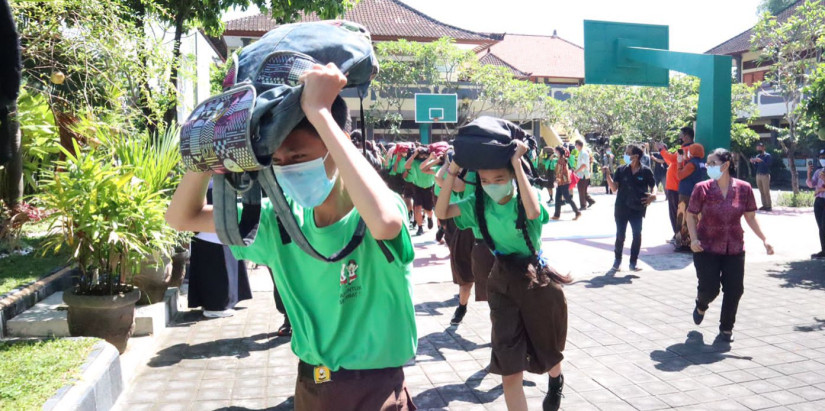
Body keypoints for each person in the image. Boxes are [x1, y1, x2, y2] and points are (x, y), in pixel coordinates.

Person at [166, 64, 417, 410]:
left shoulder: (374, 213)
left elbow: (386, 223)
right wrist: (208, 148)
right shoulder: (279, 223)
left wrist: (320, 112)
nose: (288, 168)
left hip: (376, 393)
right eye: (278, 161)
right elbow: (182, 217)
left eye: (299, 156)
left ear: (336, 144)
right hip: (312, 388)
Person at [436, 133, 569, 411]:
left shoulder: (528, 199)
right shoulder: (478, 206)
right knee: (509, 367)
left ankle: (556, 380)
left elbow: (533, 212)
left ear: (511, 177)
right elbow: (442, 210)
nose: (491, 186)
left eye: (498, 179)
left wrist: (516, 162)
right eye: (484, 181)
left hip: (536, 279)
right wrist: (453, 170)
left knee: (547, 349)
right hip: (501, 280)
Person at [686, 148, 774, 343]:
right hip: (706, 247)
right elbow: (691, 214)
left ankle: (726, 328)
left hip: (734, 247)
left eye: (712, 163)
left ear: (725, 165)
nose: (708, 167)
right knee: (710, 289)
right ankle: (701, 304)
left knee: (735, 289)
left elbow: (750, 217)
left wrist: (764, 239)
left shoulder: (744, 188)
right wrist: (693, 239)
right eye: (707, 163)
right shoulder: (702, 188)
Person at [187, 181, 253, 318]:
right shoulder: (199, 180)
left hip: (223, 228)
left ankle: (228, 301)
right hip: (207, 231)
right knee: (216, 269)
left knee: (229, 265)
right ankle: (215, 306)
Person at [603, 144, 656, 272]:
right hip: (621, 207)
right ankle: (617, 260)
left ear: (636, 156)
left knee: (637, 234)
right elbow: (614, 188)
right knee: (620, 235)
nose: (625, 155)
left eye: (628, 153)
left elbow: (653, 186)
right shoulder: (621, 170)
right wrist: (608, 176)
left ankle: (633, 262)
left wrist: (653, 196)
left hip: (638, 208)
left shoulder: (646, 171)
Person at [675, 127, 706, 252]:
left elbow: (679, 175)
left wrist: (679, 163)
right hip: (697, 193)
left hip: (686, 193)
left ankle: (684, 244)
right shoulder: (703, 163)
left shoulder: (692, 163)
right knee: (695, 218)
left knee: (683, 218)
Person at [658, 142, 682, 243]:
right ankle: (676, 235)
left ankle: (678, 236)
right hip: (673, 188)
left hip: (675, 189)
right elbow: (670, 162)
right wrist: (664, 151)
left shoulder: (683, 150)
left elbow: (671, 159)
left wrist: (661, 150)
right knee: (674, 213)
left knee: (674, 214)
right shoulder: (681, 150)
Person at [551, 146, 581, 221]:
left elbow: (560, 172)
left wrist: (557, 180)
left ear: (559, 152)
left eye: (556, 151)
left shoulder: (561, 160)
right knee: (558, 198)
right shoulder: (561, 159)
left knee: (566, 198)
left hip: (563, 182)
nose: (555, 153)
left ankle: (577, 212)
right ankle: (556, 215)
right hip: (562, 181)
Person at [807, 149, 825, 259]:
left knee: (824, 225)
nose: (823, 159)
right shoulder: (819, 172)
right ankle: (823, 250)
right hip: (819, 202)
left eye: (824, 157)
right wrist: (809, 172)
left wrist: (820, 189)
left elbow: (819, 188)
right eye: (821, 157)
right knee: (821, 227)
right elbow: (811, 184)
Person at [574, 140, 596, 210]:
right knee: (583, 190)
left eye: (576, 145)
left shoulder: (583, 153)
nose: (575, 146)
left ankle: (583, 205)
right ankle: (590, 201)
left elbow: (583, 165)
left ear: (578, 145)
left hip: (583, 175)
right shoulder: (581, 152)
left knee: (581, 190)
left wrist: (577, 171)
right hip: (582, 174)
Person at [751, 141, 773, 211]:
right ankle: (764, 205)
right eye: (758, 147)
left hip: (765, 175)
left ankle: (769, 206)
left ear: (763, 148)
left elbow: (769, 165)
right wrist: (753, 162)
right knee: (761, 191)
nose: (759, 149)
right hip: (758, 175)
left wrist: (761, 161)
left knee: (766, 191)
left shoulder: (767, 156)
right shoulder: (757, 156)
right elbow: (756, 166)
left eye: (760, 147)